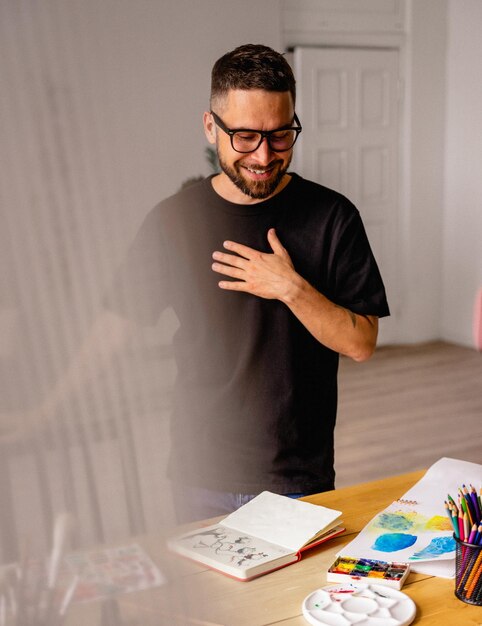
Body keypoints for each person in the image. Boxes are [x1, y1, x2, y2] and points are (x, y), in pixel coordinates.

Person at [24, 44, 389, 524]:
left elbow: (361, 343)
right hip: (200, 473)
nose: (263, 155)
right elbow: (114, 328)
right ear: (210, 127)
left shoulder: (333, 217)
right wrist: (44, 412)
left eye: (280, 136)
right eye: (245, 137)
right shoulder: (174, 221)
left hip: (297, 480)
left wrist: (290, 288)